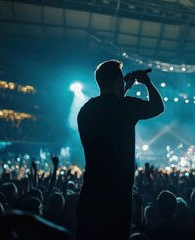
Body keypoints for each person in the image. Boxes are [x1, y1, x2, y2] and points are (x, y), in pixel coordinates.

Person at [76, 60, 164, 239]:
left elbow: (111, 107)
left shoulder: (85, 110)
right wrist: (145, 81)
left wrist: (125, 86)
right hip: (117, 201)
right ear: (118, 80)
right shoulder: (127, 107)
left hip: (90, 197)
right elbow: (158, 107)